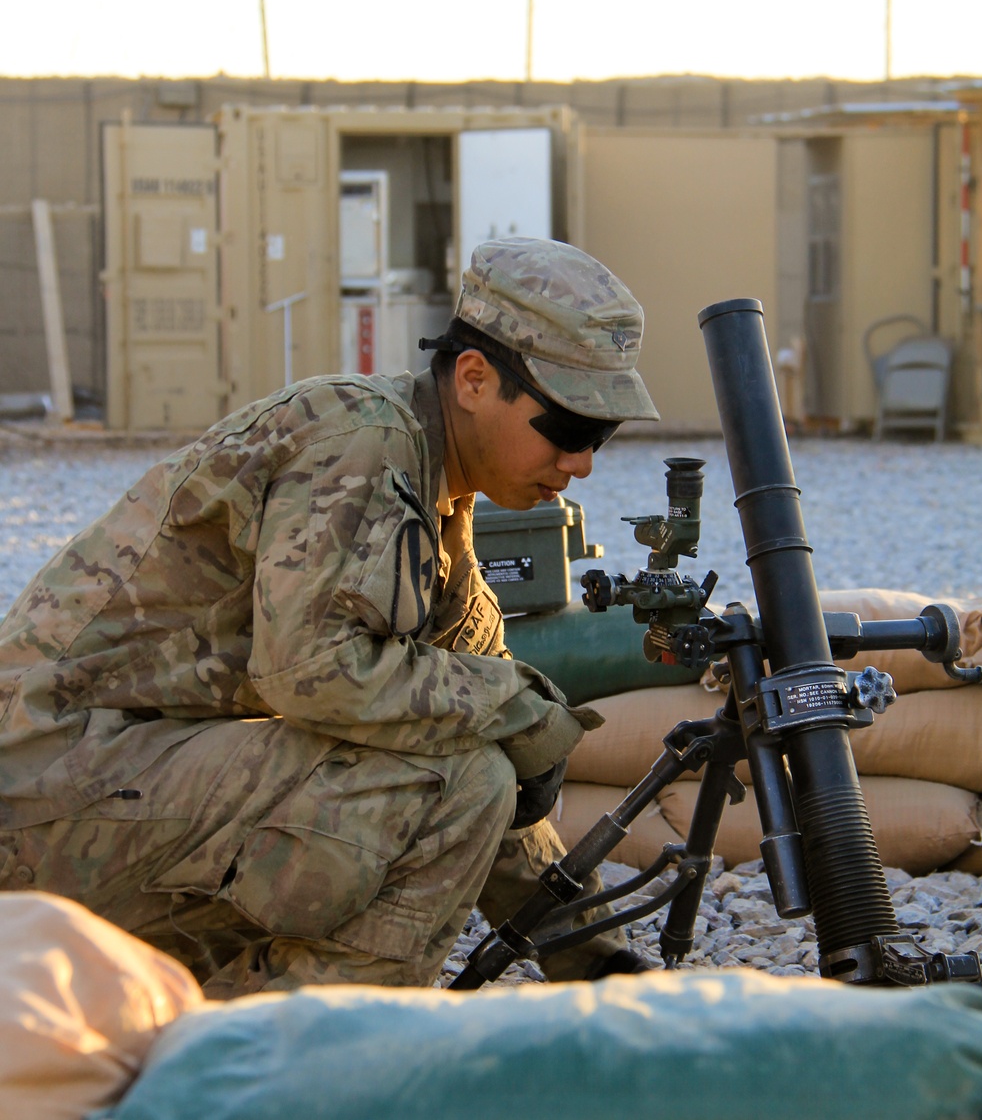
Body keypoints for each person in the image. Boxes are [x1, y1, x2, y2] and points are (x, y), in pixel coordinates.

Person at [0, 236, 660, 996]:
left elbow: (469, 719)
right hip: (48, 782)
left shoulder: (442, 498)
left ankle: (222, 1021)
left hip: (133, 779)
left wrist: (595, 960)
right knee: (460, 782)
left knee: (471, 763)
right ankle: (297, 1056)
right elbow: (310, 670)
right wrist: (512, 709)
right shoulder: (361, 440)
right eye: (570, 430)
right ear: (475, 379)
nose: (582, 464)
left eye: (601, 438)